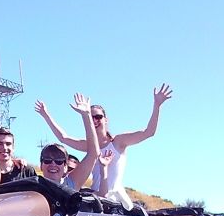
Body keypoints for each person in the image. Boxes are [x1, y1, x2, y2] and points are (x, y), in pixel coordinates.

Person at [34, 84, 173, 207]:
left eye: (98, 117)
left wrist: (157, 105)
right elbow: (63, 138)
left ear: (106, 119)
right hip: (96, 197)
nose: (95, 120)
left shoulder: (118, 142)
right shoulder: (89, 146)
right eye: (92, 117)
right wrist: (46, 115)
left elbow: (149, 132)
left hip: (114, 200)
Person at [38, 94, 104, 190]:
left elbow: (93, 154)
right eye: (47, 160)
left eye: (59, 161)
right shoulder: (33, 185)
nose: (53, 164)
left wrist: (86, 115)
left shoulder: (70, 184)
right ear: (41, 165)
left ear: (65, 167)